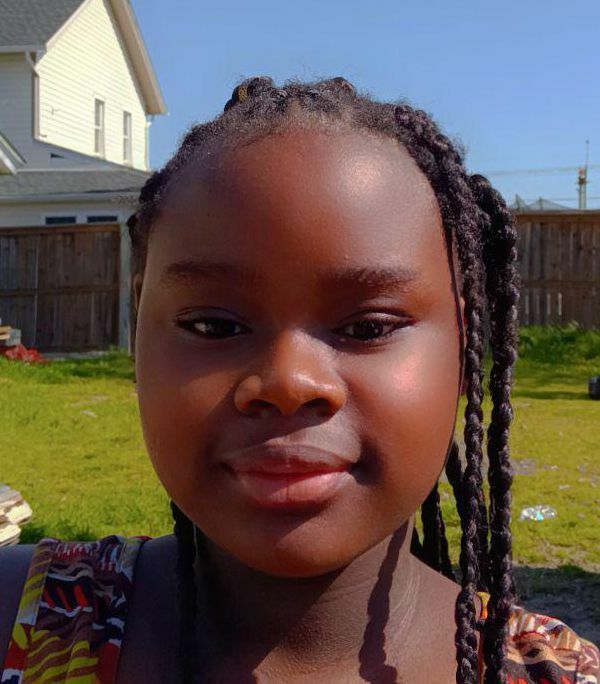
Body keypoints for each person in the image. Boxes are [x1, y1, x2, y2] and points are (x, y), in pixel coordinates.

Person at [0, 77, 598, 684]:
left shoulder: (557, 674)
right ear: (139, 332)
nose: (288, 381)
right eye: (213, 325)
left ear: (464, 348)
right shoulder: (22, 613)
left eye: (368, 327)